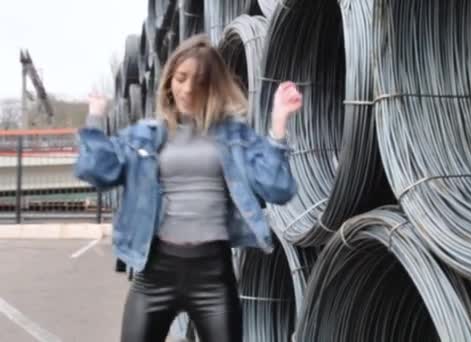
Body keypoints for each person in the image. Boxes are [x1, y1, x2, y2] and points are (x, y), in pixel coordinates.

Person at [74, 34, 302, 342]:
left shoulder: (234, 136)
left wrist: (278, 126)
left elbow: (278, 189)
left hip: (212, 275)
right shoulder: (147, 135)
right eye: (181, 78)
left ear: (213, 86)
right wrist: (95, 119)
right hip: (155, 273)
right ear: (169, 80)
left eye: (199, 80)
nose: (188, 88)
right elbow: (97, 171)